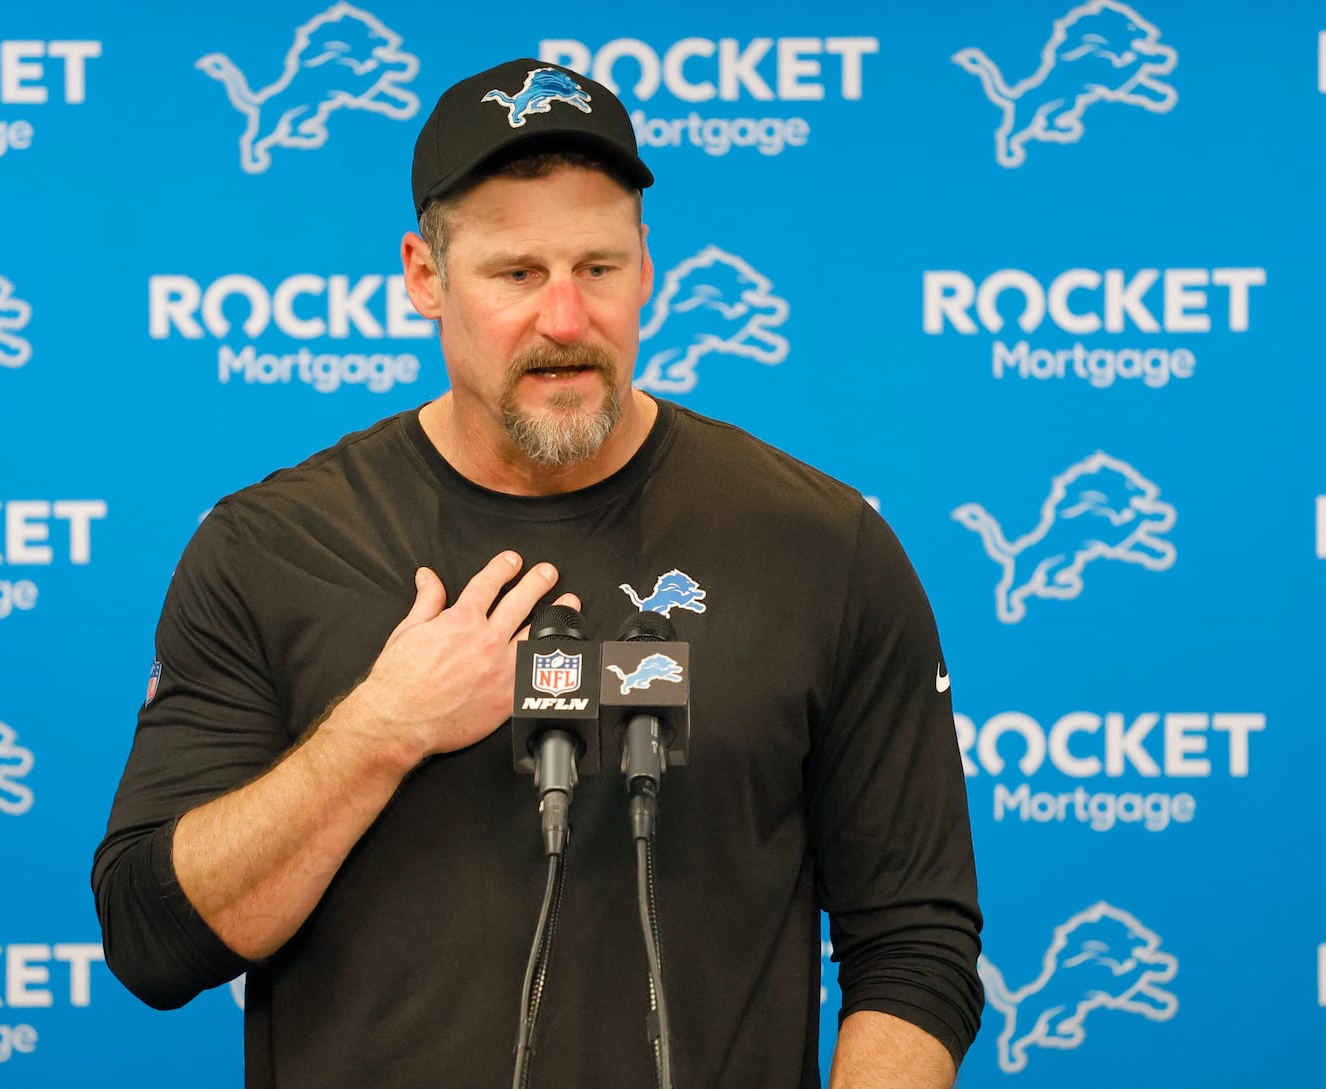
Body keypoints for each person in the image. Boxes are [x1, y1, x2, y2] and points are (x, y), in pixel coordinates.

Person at [94, 58, 982, 1088]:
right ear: (425, 276)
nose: (564, 320)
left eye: (597, 269)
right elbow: (153, 941)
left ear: (646, 266)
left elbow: (915, 948)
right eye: (516, 275)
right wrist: (383, 729)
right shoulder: (275, 547)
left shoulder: (820, 547)